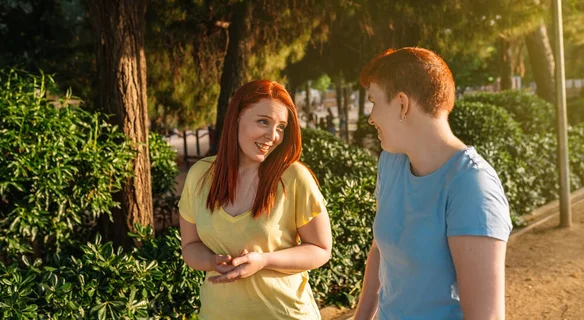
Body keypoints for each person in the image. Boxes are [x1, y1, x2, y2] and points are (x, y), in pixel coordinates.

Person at [354, 48, 512, 320]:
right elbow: (381, 250)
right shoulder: (390, 162)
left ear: (402, 104)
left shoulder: (472, 186)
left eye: (374, 101)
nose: (370, 116)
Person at [178, 80, 332, 319]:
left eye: (281, 127)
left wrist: (265, 260)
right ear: (237, 117)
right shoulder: (199, 175)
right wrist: (212, 261)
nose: (273, 136)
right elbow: (189, 247)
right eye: (263, 121)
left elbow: (321, 249)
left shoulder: (295, 177)